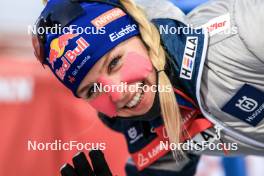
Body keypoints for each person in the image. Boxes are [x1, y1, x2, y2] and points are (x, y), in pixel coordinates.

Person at [32, 0, 264, 175]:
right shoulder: (142, 126)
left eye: (115, 62)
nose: (118, 94)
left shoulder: (240, 34)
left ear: (142, 36)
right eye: (92, 90)